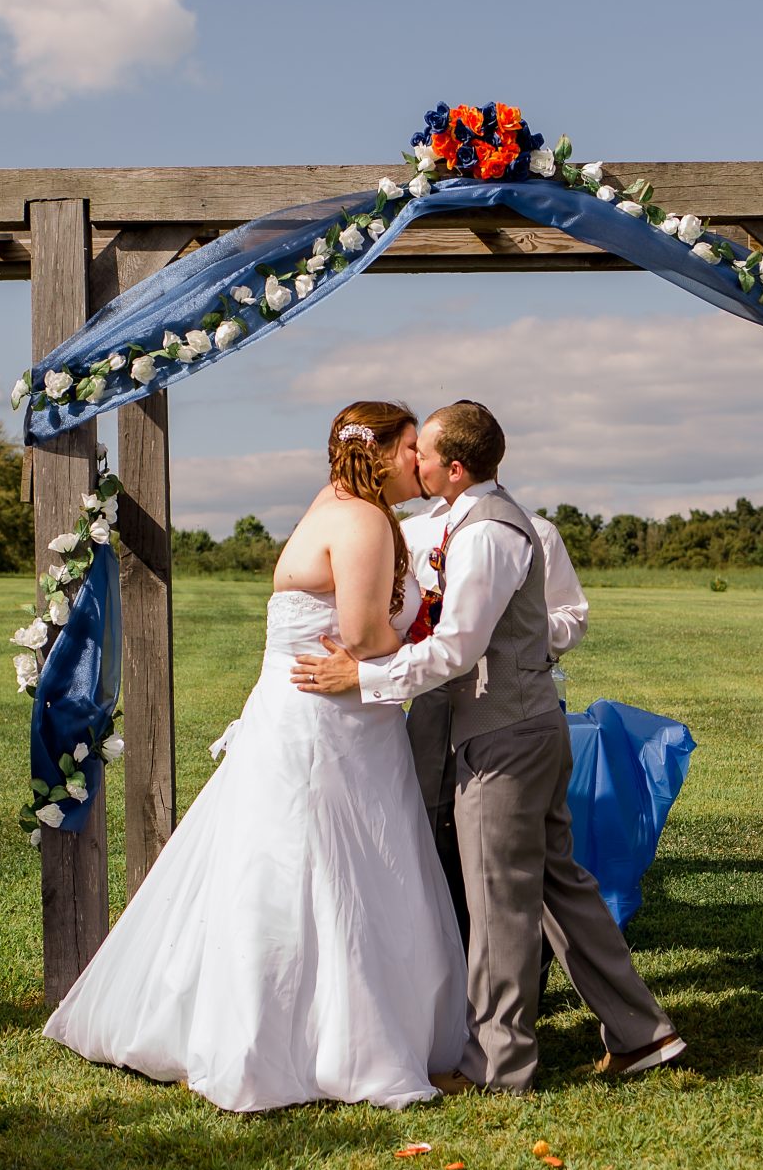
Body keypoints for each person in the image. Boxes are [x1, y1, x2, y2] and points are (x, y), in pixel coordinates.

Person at [44, 401, 468, 1112]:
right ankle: (319, 1042)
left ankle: (287, 1029)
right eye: (409, 449)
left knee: (300, 869)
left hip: (321, 719)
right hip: (328, 725)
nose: (417, 464)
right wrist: (447, 646)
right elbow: (364, 640)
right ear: (384, 451)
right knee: (331, 871)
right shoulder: (363, 520)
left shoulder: (335, 505)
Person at [293, 401, 684, 1095]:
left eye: (424, 451)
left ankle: (499, 1068)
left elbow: (459, 648)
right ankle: (642, 1033)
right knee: (559, 889)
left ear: (455, 466)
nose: (413, 461)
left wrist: (365, 674)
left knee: (500, 901)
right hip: (514, 726)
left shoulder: (491, 536)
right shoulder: (459, 524)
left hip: (503, 735)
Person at [402, 494, 588, 976]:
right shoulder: (413, 532)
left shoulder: (535, 531)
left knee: (517, 841)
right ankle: (452, 961)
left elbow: (572, 614)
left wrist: (513, 625)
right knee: (432, 821)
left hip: (511, 698)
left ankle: (528, 967)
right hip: (435, 693)